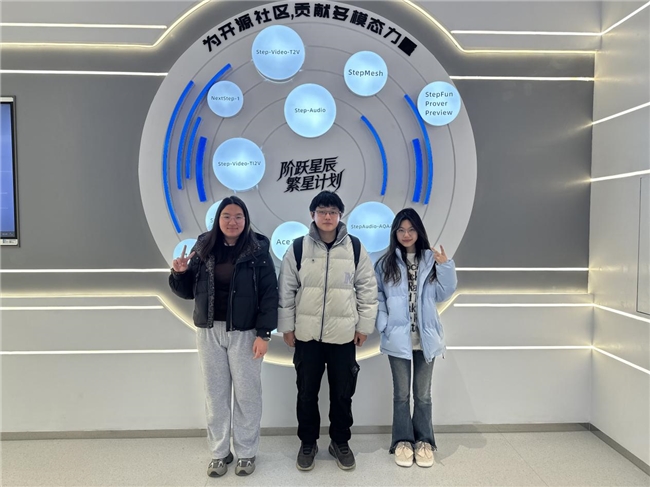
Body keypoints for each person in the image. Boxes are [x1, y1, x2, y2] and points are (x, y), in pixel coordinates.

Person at [168, 196, 278, 478]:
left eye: (238, 216)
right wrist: (179, 274)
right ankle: (219, 453)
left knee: (247, 395)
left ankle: (246, 452)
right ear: (218, 219)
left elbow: (269, 294)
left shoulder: (258, 249)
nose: (233, 222)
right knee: (215, 395)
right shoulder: (203, 247)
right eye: (227, 216)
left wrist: (264, 333)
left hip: (246, 332)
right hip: (209, 332)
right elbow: (188, 292)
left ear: (246, 220)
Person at [278, 191, 378, 471]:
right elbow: (286, 290)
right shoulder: (298, 247)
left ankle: (340, 441)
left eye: (333, 212)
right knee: (306, 393)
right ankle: (308, 443)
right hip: (306, 336)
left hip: (343, 335)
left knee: (343, 394)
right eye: (322, 211)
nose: (327, 216)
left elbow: (367, 289)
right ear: (312, 214)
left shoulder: (355, 247)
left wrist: (363, 326)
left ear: (340, 216)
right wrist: (287, 327)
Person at [374, 208, 457, 468]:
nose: (406, 234)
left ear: (419, 231)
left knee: (423, 395)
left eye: (411, 229)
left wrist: (445, 266)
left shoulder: (431, 260)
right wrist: (384, 324)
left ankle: (424, 442)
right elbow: (378, 297)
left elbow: (444, 293)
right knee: (401, 395)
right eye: (401, 230)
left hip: (426, 339)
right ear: (394, 233)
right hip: (398, 338)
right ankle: (402, 441)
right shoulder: (385, 263)